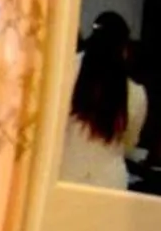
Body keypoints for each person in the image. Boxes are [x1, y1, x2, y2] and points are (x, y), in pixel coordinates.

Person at [61, 18, 148, 190]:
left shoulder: (67, 71)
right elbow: (129, 144)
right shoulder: (136, 93)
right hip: (110, 182)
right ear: (124, 49)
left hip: (66, 173)